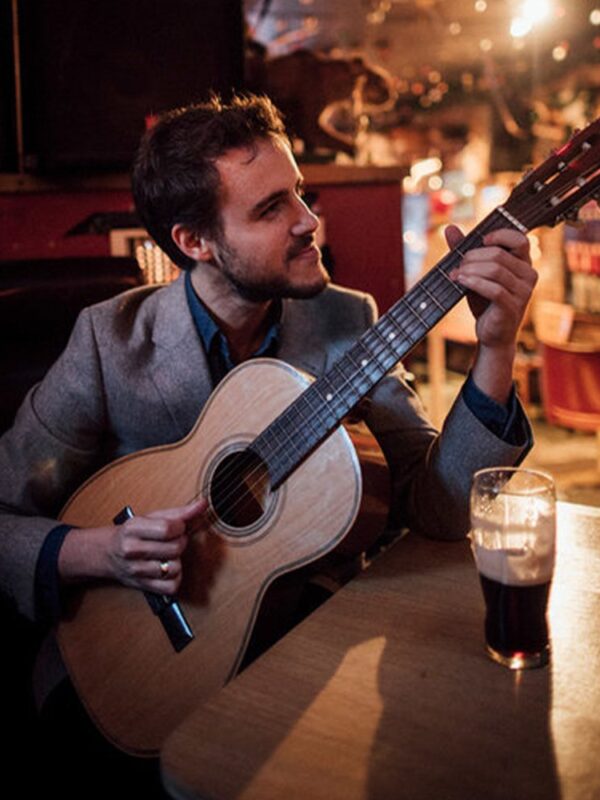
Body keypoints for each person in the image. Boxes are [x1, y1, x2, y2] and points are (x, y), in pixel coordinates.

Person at [0, 93, 536, 793]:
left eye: (301, 194)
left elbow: (438, 509)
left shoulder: (349, 322)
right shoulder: (110, 341)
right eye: (270, 208)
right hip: (123, 663)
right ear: (195, 242)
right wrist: (102, 551)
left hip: (309, 650)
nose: (308, 220)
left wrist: (496, 349)